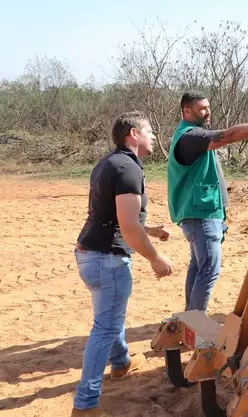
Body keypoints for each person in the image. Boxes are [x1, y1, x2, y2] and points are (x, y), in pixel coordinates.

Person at [72, 112, 174, 417]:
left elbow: (114, 217)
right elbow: (128, 227)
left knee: (110, 315)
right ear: (133, 133)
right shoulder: (128, 168)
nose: (154, 136)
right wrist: (155, 257)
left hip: (90, 254)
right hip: (107, 260)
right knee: (105, 327)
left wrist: (152, 229)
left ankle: (121, 363)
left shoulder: (108, 163)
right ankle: (85, 406)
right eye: (149, 131)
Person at [168, 91, 248, 313]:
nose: (208, 112)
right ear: (186, 111)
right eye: (202, 109)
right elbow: (229, 136)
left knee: (198, 267)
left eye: (208, 107)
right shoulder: (190, 136)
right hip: (201, 215)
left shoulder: (190, 135)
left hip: (199, 213)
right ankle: (196, 327)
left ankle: (188, 320)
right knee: (208, 271)